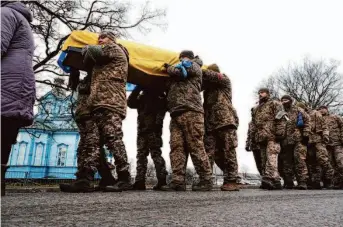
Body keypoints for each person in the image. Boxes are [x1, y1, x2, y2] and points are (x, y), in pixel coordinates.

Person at [75, 31, 132, 192]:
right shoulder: (101, 63)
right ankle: (86, 178)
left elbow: (92, 51)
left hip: (111, 102)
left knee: (113, 138)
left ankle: (124, 176)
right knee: (93, 143)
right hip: (99, 103)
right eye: (98, 37)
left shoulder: (114, 49)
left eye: (103, 37)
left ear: (111, 39)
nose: (99, 39)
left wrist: (86, 46)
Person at [162, 51, 212, 191]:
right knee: (176, 147)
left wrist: (168, 68)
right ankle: (178, 180)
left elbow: (177, 72)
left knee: (195, 145)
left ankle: (206, 179)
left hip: (191, 111)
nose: (180, 60)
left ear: (189, 57)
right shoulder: (178, 70)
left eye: (182, 58)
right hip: (176, 113)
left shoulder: (194, 66)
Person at [59, 74, 117, 192]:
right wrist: (73, 71)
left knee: (91, 146)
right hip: (82, 116)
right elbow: (74, 86)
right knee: (89, 147)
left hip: (93, 115)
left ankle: (84, 179)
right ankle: (107, 178)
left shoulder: (99, 76)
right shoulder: (85, 80)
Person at [1, 1, 35, 196]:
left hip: (6, 80)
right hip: (16, 82)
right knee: (5, 129)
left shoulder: (5, 13)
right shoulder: (19, 18)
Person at [202, 64, 239, 191]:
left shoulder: (223, 79)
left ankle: (231, 180)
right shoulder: (207, 91)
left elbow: (209, 75)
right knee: (211, 153)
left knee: (229, 151)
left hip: (225, 121)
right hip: (211, 124)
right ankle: (206, 179)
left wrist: (195, 67)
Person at [127, 86, 168, 190]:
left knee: (153, 154)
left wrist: (157, 124)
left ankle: (160, 181)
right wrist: (137, 89)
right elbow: (130, 103)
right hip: (144, 129)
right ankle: (141, 181)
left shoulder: (159, 96)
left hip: (152, 130)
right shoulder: (144, 97)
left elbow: (163, 109)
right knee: (144, 155)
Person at [251, 88, 286, 190]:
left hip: (272, 135)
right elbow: (254, 124)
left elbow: (281, 117)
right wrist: (253, 136)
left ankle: (269, 178)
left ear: (268, 93)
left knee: (272, 156)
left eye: (262, 92)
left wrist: (280, 132)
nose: (260, 94)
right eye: (259, 92)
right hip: (261, 136)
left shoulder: (275, 103)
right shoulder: (257, 108)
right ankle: (275, 180)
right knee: (264, 159)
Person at [297, 102, 334, 189]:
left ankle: (329, 180)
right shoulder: (300, 116)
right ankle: (316, 182)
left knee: (323, 159)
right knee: (312, 162)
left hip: (318, 140)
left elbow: (324, 125)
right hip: (308, 141)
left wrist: (325, 136)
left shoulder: (315, 113)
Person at [279, 95, 310, 189]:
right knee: (287, 161)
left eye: (286, 100)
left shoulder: (298, 110)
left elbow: (307, 121)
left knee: (299, 160)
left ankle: (302, 181)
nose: (284, 101)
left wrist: (306, 134)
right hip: (285, 140)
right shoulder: (280, 112)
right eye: (282, 100)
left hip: (298, 139)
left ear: (290, 101)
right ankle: (289, 182)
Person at [318, 106, 343, 189]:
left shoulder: (335, 117)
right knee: (330, 164)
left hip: (337, 143)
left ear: (326, 109)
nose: (321, 110)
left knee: (340, 162)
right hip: (326, 145)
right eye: (320, 109)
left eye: (323, 108)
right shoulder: (319, 119)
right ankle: (336, 183)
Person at [246, 108, 263, 175]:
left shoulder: (262, 120)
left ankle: (267, 177)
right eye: (252, 112)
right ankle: (263, 177)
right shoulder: (250, 123)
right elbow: (249, 134)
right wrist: (247, 144)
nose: (253, 113)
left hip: (261, 145)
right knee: (258, 163)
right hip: (254, 146)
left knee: (264, 162)